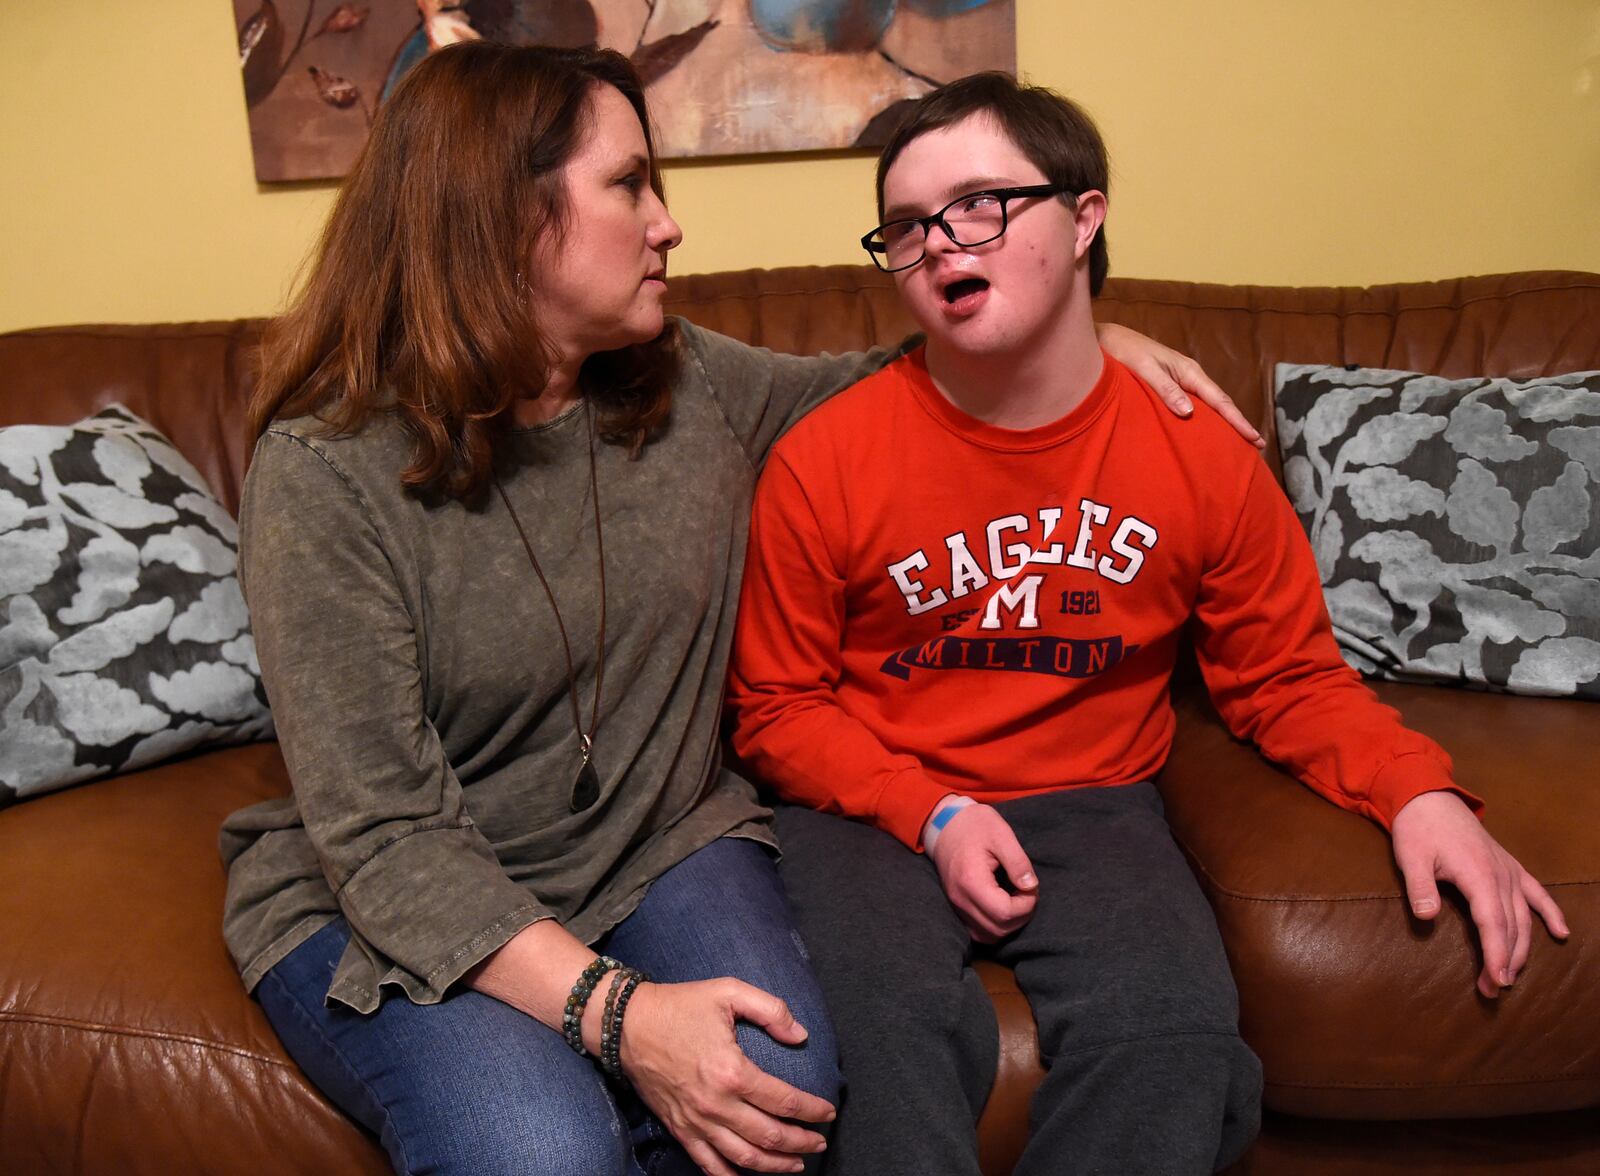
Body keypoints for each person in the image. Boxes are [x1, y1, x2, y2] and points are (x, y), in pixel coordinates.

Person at [217, 44, 1250, 1176]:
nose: (668, 225)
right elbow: (385, 840)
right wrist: (621, 1017)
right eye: (630, 185)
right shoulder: (322, 476)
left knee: (787, 1087)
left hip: (654, 845)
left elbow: (896, 385)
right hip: (412, 892)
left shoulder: (683, 382)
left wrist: (1081, 343)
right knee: (542, 1152)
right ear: (504, 217)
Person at [725, 72, 1571, 1176]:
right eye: (904, 227)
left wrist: (1416, 790)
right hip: (875, 803)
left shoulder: (1196, 455)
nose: (936, 243)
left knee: (1171, 1040)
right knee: (874, 1046)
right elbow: (777, 705)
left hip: (1094, 799)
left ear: (1085, 218)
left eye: (977, 204)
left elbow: (1284, 680)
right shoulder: (826, 457)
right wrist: (926, 810)